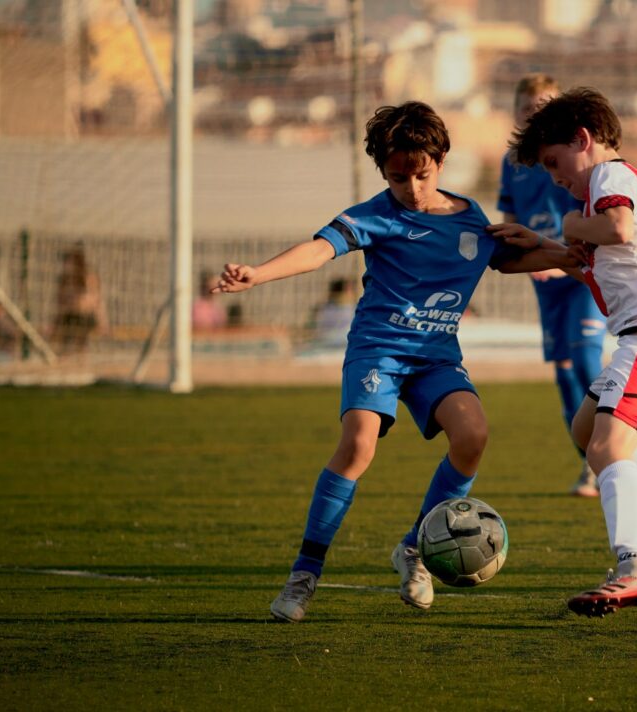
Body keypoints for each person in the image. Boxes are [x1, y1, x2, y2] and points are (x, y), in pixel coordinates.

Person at [213, 101, 572, 622]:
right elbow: (318, 250)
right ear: (384, 171)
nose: (411, 187)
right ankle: (304, 575)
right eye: (398, 176)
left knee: (472, 437)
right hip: (378, 348)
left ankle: (416, 548)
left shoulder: (469, 217)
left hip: (436, 356)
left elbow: (512, 260)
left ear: (441, 161)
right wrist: (257, 274)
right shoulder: (373, 216)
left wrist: (575, 255)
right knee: (357, 445)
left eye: (421, 175)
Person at [495, 87, 637, 617]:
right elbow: (582, 259)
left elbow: (614, 230)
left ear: (584, 139)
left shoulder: (608, 178)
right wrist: (528, 245)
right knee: (586, 432)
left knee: (606, 449)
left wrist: (568, 226)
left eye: (555, 163)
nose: (555, 177)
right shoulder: (599, 194)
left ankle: (635, 567)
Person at [498, 74, 607, 497]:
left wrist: (563, 252)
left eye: (546, 106)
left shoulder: (572, 155)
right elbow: (508, 216)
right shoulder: (513, 163)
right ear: (517, 114)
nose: (538, 115)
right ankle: (591, 466)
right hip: (544, 277)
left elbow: (593, 210)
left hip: (578, 271)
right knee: (563, 376)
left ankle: (612, 449)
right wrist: (526, 260)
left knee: (584, 362)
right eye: (530, 108)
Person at [52, 244, 107, 354]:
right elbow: (60, 304)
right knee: (61, 334)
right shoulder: (64, 281)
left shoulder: (88, 277)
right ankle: (60, 357)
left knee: (80, 335)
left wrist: (103, 321)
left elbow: (97, 302)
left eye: (70, 262)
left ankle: (81, 358)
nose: (67, 266)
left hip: (85, 317)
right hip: (69, 317)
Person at [308, 278, 355, 348]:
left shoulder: (353, 307)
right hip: (329, 344)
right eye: (349, 291)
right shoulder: (324, 309)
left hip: (334, 344)